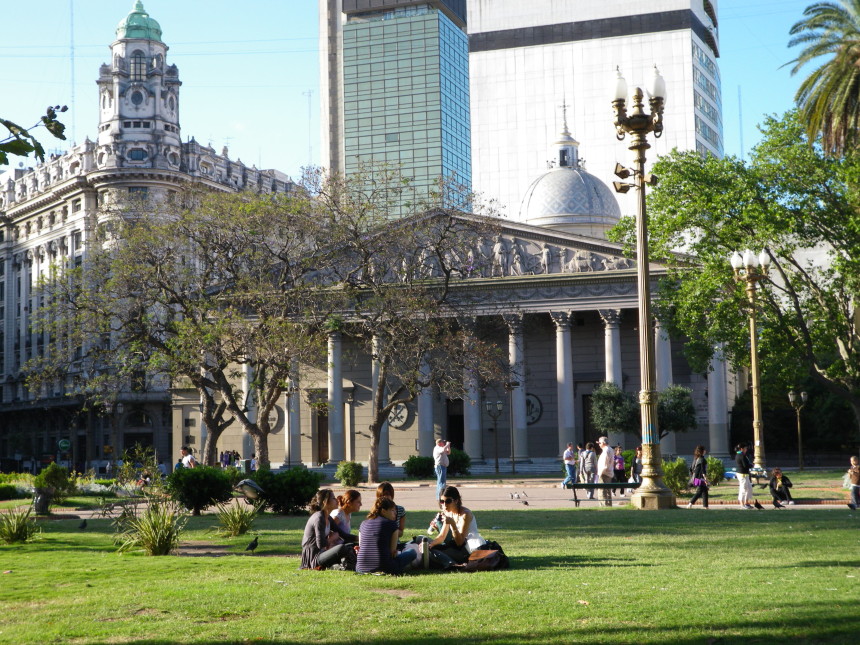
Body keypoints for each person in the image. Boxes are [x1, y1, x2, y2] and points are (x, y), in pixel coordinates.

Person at [356, 497, 418, 574]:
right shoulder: (392, 525)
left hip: (360, 568)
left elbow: (360, 546)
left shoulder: (363, 524)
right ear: (383, 511)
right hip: (385, 568)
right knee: (412, 552)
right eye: (392, 510)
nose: (395, 513)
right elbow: (393, 552)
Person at [300, 489, 357, 570]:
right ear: (325, 502)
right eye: (333, 498)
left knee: (352, 545)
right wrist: (332, 539)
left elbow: (344, 535)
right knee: (342, 548)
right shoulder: (319, 518)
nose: (336, 500)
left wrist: (362, 539)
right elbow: (321, 544)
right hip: (314, 557)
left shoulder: (328, 517)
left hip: (323, 553)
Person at [429, 486, 483, 564]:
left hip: (468, 549)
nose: (444, 505)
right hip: (455, 546)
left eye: (448, 501)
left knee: (435, 553)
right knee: (429, 548)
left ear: (456, 500)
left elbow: (460, 542)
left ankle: (452, 564)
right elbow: (442, 536)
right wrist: (431, 544)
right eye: (442, 501)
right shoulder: (447, 512)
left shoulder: (465, 514)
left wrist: (453, 524)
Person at [596, 437, 614, 507]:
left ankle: (604, 506)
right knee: (608, 491)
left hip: (604, 474)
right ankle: (608, 505)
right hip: (608, 473)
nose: (599, 445)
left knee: (602, 491)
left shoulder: (606, 450)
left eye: (599, 443)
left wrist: (599, 474)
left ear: (603, 443)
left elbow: (604, 464)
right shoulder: (610, 449)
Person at [735, 443, 753, 509]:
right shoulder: (741, 455)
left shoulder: (741, 455)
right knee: (743, 489)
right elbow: (745, 465)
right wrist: (751, 465)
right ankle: (742, 504)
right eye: (745, 448)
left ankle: (746, 503)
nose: (746, 450)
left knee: (749, 488)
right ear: (741, 449)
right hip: (742, 474)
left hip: (745, 474)